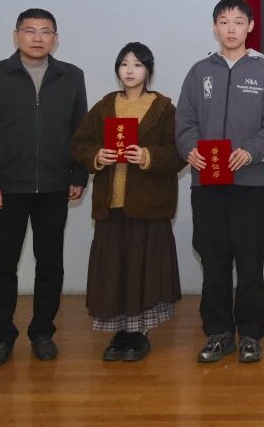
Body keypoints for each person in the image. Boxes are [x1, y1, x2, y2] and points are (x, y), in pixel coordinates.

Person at [0, 8, 88, 367]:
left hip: (54, 186)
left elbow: (80, 131)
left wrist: (78, 174)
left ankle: (42, 333)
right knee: (3, 266)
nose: (38, 38)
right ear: (16, 35)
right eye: (30, 30)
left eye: (45, 31)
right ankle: (1, 337)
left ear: (55, 38)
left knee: (50, 263)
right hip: (6, 188)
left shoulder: (71, 76)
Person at [176, 0, 264, 364]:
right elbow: (184, 122)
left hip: (251, 183)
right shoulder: (199, 72)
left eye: (238, 22)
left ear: (250, 26)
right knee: (213, 258)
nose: (231, 29)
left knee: (250, 258)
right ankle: (218, 332)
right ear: (215, 27)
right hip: (207, 183)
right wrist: (190, 148)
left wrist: (251, 151)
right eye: (224, 22)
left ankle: (251, 332)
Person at [71, 42, 184, 362]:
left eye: (137, 64)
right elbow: (79, 143)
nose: (130, 70)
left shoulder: (163, 108)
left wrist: (148, 156)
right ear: (117, 70)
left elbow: (178, 152)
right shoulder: (105, 106)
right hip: (111, 203)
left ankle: (139, 333)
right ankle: (119, 332)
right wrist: (97, 155)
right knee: (113, 268)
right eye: (124, 64)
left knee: (143, 267)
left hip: (149, 204)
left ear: (148, 71)